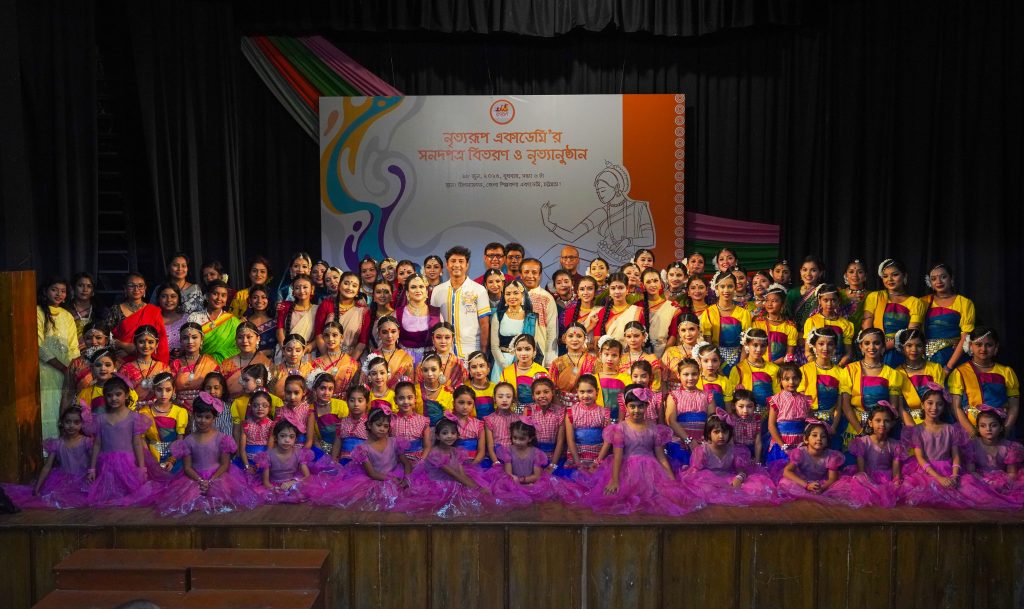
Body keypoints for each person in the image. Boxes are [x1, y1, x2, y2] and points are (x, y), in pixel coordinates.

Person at [567, 386, 701, 516]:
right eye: (632, 406)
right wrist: (615, 480)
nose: (636, 410)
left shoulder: (654, 429)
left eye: (640, 406)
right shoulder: (620, 429)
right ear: (626, 407)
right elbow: (618, 457)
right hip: (627, 470)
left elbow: (661, 457)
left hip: (650, 470)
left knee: (662, 496)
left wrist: (671, 478)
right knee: (621, 496)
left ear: (646, 406)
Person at [900, 386, 1016, 509]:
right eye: (930, 403)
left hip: (949, 469)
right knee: (925, 491)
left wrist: (954, 476)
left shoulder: (951, 429)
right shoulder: (917, 430)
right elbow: (920, 458)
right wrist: (939, 478)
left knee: (968, 488)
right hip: (926, 471)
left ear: (944, 406)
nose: (934, 407)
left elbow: (956, 455)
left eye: (939, 404)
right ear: (922, 405)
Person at [156, 393, 259, 516]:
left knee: (223, 499)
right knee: (189, 501)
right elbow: (187, 467)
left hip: (218, 477)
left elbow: (225, 464)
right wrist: (200, 481)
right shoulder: (188, 440)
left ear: (214, 418)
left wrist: (211, 481)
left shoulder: (222, 439)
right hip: (194, 478)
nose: (202, 420)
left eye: (207, 417)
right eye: (199, 416)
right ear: (194, 415)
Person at [539, 161, 654, 268]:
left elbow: (650, 239)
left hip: (627, 264)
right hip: (602, 260)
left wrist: (629, 241)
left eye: (602, 190)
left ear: (617, 187)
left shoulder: (638, 207)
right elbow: (573, 236)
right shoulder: (602, 212)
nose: (600, 195)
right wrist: (548, 223)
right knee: (559, 250)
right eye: (598, 191)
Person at [314, 405, 414, 511]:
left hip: (396, 475)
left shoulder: (394, 442)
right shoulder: (363, 449)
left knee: (408, 495)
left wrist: (406, 479)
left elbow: (406, 463)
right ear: (370, 425)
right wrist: (390, 479)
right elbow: (372, 473)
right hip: (377, 479)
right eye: (378, 425)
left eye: (386, 426)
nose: (382, 429)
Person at [395, 417, 500, 517]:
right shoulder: (435, 453)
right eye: (445, 433)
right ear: (437, 436)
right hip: (438, 485)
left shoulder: (455, 451)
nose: (449, 436)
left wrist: (474, 487)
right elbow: (454, 475)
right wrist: (477, 488)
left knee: (473, 496)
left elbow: (461, 473)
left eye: (453, 433)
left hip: (454, 481)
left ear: (457, 435)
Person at [84, 376, 162, 507]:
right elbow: (97, 444)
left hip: (128, 463)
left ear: (126, 395)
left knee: (132, 493)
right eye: (109, 395)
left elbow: (137, 443)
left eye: (118, 394)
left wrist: (142, 468)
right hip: (106, 464)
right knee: (106, 495)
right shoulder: (101, 419)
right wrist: (92, 468)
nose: (113, 398)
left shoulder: (134, 417)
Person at [679, 411, 776, 506]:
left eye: (724, 432)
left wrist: (739, 478)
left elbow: (742, 471)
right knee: (707, 490)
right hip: (708, 482)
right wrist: (713, 484)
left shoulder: (735, 451)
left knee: (757, 488)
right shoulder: (702, 451)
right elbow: (695, 474)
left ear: (729, 433)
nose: (721, 436)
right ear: (709, 434)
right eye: (716, 432)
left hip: (728, 478)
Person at [3, 406, 92, 509]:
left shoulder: (87, 442)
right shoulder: (57, 443)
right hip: (63, 481)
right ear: (62, 423)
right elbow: (47, 467)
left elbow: (95, 463)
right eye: (68, 422)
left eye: (76, 422)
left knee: (81, 499)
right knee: (50, 498)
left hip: (82, 480)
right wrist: (38, 487)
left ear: (82, 424)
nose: (71, 425)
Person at [842, 328, 908, 450]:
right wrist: (861, 432)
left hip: (883, 429)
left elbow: (893, 407)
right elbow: (845, 405)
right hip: (855, 427)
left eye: (876, 343)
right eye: (867, 343)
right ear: (861, 347)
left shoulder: (892, 374)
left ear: (883, 347)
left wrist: (879, 432)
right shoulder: (850, 370)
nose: (871, 347)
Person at [947, 327, 1019, 435]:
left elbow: (1014, 406)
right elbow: (956, 407)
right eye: (978, 344)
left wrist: (1004, 432)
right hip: (969, 433)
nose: (983, 349)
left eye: (989, 345)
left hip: (999, 432)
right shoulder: (960, 372)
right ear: (970, 346)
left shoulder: (1007, 372)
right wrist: (973, 433)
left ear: (996, 347)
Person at [36, 277, 80, 441]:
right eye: (54, 290)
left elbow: (74, 347)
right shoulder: (37, 312)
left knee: (61, 407)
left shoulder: (67, 316)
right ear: (45, 291)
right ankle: (45, 449)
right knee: (46, 406)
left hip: (66, 371)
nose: (59, 294)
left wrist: (74, 369)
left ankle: (61, 449)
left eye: (63, 291)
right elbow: (39, 346)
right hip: (44, 370)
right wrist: (62, 367)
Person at [861, 259, 925, 367]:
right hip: (874, 350)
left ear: (904, 276)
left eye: (895, 275)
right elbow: (867, 325)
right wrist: (873, 346)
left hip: (901, 350)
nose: (889, 279)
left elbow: (912, 333)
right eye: (885, 276)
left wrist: (885, 346)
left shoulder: (915, 302)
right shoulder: (875, 297)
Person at [430, 246, 491, 357]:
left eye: (461, 261)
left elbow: (484, 324)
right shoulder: (437, 291)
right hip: (444, 352)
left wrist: (483, 352)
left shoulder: (479, 290)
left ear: (467, 265)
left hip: (472, 351)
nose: (457, 265)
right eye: (453, 261)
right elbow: (433, 323)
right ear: (447, 265)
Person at [841, 402, 904, 508]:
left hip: (886, 480)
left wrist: (895, 486)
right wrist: (869, 486)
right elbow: (861, 472)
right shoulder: (862, 442)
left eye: (886, 421)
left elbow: (896, 474)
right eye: (878, 420)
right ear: (870, 423)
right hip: (867, 478)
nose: (882, 424)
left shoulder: (895, 445)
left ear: (892, 423)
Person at [964, 406, 1024, 506]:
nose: (988, 429)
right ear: (978, 428)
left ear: (1001, 428)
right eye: (983, 426)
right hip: (980, 478)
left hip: (1002, 479)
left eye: (993, 425)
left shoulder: (1009, 447)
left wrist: (1000, 483)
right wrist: (985, 481)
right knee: (966, 484)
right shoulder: (972, 445)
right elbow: (971, 471)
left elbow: (1012, 473)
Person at [777, 420, 847, 505]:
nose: (819, 439)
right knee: (785, 483)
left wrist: (822, 488)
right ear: (806, 439)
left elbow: (832, 478)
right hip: (802, 482)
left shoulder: (831, 456)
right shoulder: (800, 453)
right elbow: (786, 472)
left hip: (821, 483)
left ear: (827, 442)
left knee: (840, 488)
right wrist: (807, 485)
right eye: (814, 435)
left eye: (823, 436)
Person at [920, 263, 975, 370]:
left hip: (955, 357)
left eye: (943, 277)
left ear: (951, 278)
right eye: (934, 279)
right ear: (929, 282)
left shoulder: (964, 303)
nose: (939, 281)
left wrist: (949, 367)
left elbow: (966, 338)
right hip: (927, 359)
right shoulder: (922, 302)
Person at [108, 273, 170, 364]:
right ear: (125, 288)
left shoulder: (153, 311)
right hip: (121, 360)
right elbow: (106, 337)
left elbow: (160, 340)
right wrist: (124, 346)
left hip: (148, 360)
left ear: (145, 288)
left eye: (140, 286)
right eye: (131, 286)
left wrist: (134, 350)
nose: (136, 289)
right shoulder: (116, 310)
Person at [700, 268, 752, 376]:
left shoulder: (744, 313)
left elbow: (746, 343)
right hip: (714, 360)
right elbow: (707, 343)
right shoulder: (708, 313)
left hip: (739, 358)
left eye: (730, 286)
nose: (726, 290)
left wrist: (741, 366)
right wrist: (715, 364)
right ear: (716, 288)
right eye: (722, 286)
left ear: (735, 288)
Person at [664, 358, 714, 467]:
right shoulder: (673, 395)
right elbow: (671, 421)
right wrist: (688, 440)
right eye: (686, 374)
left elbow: (712, 421)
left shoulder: (707, 395)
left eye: (694, 374)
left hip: (702, 442)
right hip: (680, 442)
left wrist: (703, 442)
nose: (690, 378)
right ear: (679, 375)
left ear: (699, 374)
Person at [136, 372, 188, 473]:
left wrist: (172, 460)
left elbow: (180, 440)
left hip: (174, 458)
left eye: (168, 390)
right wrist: (150, 460)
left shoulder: (180, 412)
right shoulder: (144, 412)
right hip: (151, 458)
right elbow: (142, 440)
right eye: (159, 390)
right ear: (153, 390)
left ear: (174, 390)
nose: (163, 394)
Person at [314, 272, 371, 360]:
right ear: (339, 285)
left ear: (357, 291)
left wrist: (349, 363)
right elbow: (319, 334)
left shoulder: (363, 311)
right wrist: (329, 359)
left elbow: (362, 343)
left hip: (351, 359)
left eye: (354, 286)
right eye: (346, 283)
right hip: (326, 356)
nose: (349, 288)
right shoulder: (326, 305)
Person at [490, 280, 540, 381]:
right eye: (508, 294)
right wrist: (505, 366)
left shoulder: (531, 317)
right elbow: (494, 346)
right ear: (504, 296)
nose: (512, 297)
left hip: (524, 364)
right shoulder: (498, 316)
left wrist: (521, 364)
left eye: (516, 293)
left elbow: (534, 343)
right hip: (501, 364)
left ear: (523, 295)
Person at [895, 328, 947, 424]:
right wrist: (914, 430)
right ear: (902, 348)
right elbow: (900, 408)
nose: (914, 350)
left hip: (934, 422)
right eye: (909, 345)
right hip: (907, 424)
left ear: (924, 347)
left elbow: (939, 401)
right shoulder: (897, 373)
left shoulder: (935, 369)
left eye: (918, 345)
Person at [255, 419, 313, 503]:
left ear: (295, 439)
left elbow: (307, 476)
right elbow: (266, 482)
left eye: (291, 437)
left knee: (303, 492)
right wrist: (274, 489)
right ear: (276, 437)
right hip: (274, 486)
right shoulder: (267, 455)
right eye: (282, 436)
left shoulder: (299, 453)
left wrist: (293, 482)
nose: (287, 440)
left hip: (292, 484)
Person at [765, 364, 812, 465]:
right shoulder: (776, 400)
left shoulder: (805, 399)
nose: (791, 382)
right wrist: (783, 445)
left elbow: (809, 422)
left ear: (800, 379)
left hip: (801, 443)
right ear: (780, 381)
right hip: (781, 442)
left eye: (795, 378)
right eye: (787, 379)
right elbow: (771, 426)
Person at [564, 375, 612, 473]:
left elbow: (607, 440)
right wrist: (578, 464)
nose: (585, 396)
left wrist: (597, 462)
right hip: (577, 457)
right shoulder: (570, 412)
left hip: (599, 456)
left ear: (597, 391)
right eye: (582, 392)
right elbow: (570, 440)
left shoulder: (605, 413)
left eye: (589, 391)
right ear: (577, 392)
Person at [188, 280, 240, 364]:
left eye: (223, 295)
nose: (219, 298)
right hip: (200, 364)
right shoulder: (194, 318)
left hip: (227, 365)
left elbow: (238, 347)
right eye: (215, 294)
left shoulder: (233, 321)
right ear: (207, 296)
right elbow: (188, 343)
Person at [170, 322, 220, 410]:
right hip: (180, 410)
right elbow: (169, 390)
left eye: (194, 337)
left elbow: (217, 390)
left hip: (205, 410)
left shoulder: (210, 363)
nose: (190, 341)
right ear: (181, 341)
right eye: (185, 338)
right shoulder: (175, 364)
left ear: (202, 340)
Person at [548, 323, 599, 409]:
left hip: (588, 407)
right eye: (570, 336)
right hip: (561, 406)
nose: (574, 339)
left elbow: (598, 387)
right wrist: (559, 408)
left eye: (579, 336)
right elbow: (551, 388)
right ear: (565, 338)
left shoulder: (594, 362)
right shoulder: (557, 363)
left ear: (585, 338)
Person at [728, 329, 780, 412]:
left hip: (768, 414)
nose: (759, 349)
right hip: (745, 414)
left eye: (763, 346)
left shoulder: (774, 369)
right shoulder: (738, 369)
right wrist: (736, 392)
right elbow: (730, 396)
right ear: (747, 345)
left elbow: (778, 396)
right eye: (755, 345)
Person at [802, 284, 854, 366]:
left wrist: (837, 368)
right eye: (825, 300)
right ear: (819, 301)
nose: (829, 303)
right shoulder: (812, 321)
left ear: (838, 301)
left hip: (838, 367)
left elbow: (848, 354)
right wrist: (816, 366)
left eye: (833, 300)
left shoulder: (846, 324)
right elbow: (808, 351)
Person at [519, 258, 558, 365]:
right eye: (526, 272)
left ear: (540, 275)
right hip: (515, 352)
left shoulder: (547, 298)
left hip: (539, 352)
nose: (530, 275)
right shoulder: (512, 296)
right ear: (520, 275)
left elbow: (552, 331)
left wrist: (550, 360)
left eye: (534, 272)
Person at [397, 275, 443, 366]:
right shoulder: (398, 313)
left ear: (426, 291)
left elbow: (443, 338)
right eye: (413, 287)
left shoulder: (436, 313)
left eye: (421, 287)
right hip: (405, 363)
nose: (418, 290)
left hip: (431, 364)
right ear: (407, 293)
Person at [220, 322, 272, 400]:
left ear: (258, 339)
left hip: (258, 406)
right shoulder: (227, 364)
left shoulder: (266, 364)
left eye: (249, 337)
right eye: (240, 337)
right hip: (231, 406)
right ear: (235, 340)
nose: (244, 340)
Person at [310, 322, 360, 399]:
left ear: (342, 338)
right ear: (323, 338)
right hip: (322, 402)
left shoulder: (352, 363)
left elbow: (356, 389)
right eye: (326, 335)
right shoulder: (316, 363)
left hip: (344, 403)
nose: (330, 339)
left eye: (334, 335)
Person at [497, 334, 549, 410]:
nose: (523, 353)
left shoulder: (541, 372)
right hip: (512, 412)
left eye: (527, 349)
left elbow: (547, 396)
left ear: (534, 351)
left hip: (537, 412)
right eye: (519, 349)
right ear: (514, 351)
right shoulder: (507, 372)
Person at [641, 269, 681, 359]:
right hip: (641, 355)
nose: (653, 285)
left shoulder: (672, 307)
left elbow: (673, 335)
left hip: (664, 355)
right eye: (648, 282)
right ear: (643, 285)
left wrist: (664, 357)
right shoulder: (637, 307)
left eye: (655, 281)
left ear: (661, 283)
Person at [275, 274, 319, 358]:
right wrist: (286, 350)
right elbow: (279, 331)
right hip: (285, 353)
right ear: (293, 291)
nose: (301, 291)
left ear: (312, 289)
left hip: (307, 353)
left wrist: (305, 349)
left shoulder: (317, 309)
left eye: (305, 287)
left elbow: (320, 335)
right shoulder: (285, 306)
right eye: (297, 288)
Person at [592, 273, 644, 343]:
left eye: (621, 288)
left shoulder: (637, 311)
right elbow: (597, 341)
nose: (617, 292)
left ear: (627, 289)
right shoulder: (602, 312)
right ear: (609, 291)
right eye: (613, 288)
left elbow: (643, 338)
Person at [366, 316, 414, 388]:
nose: (389, 335)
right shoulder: (372, 356)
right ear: (379, 334)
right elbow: (367, 385)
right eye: (385, 332)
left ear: (398, 333)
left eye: (393, 331)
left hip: (398, 394)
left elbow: (410, 386)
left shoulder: (406, 358)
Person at [754, 283, 797, 364]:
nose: (769, 304)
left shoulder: (790, 327)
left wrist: (779, 362)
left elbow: (789, 355)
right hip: (758, 365)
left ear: (782, 304)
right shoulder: (758, 323)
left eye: (774, 301)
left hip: (780, 367)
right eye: (767, 300)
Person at [391, 381, 433, 462]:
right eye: (401, 398)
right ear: (395, 400)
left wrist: (421, 461)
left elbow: (427, 446)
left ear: (415, 398)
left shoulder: (423, 421)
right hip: (397, 460)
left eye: (409, 398)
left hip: (418, 460)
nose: (406, 402)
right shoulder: (391, 420)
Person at [661, 314, 702, 392]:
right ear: (679, 332)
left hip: (700, 394)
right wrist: (666, 397)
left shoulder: (705, 352)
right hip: (673, 394)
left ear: (698, 329)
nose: (688, 334)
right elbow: (663, 380)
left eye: (692, 329)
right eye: (683, 330)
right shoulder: (670, 352)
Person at [785, 256, 825, 332]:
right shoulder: (792, 293)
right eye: (804, 270)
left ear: (820, 273)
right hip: (794, 333)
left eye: (813, 270)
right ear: (800, 271)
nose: (808, 273)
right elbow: (787, 317)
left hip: (817, 333)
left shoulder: (823, 292)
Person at [67, 272, 107, 346]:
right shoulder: (65, 311)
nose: (85, 289)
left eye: (89, 286)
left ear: (93, 291)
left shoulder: (101, 311)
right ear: (73, 288)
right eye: (80, 285)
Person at [415, 354, 455, 426]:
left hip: (442, 431)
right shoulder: (415, 391)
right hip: (418, 429)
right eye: (425, 370)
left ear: (441, 369)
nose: (429, 374)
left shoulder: (448, 393)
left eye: (433, 369)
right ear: (421, 371)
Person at [241, 285, 277, 359]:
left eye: (263, 297)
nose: (259, 301)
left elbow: (282, 345)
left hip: (272, 363)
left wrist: (269, 352)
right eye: (255, 297)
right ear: (250, 300)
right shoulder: (244, 322)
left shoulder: (276, 322)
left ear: (268, 300)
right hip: (248, 362)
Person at [156, 284, 186, 358]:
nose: (169, 300)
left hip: (184, 362)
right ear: (158, 299)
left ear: (179, 299)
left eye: (173, 296)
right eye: (164, 296)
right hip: (159, 363)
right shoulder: (153, 320)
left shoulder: (187, 319)